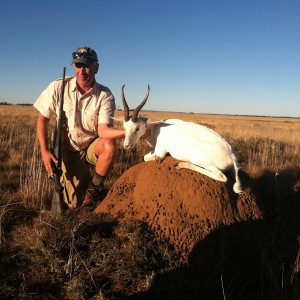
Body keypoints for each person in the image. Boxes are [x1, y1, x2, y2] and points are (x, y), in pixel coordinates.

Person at [34, 46, 125, 210]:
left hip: (90, 145)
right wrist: (44, 150)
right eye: (78, 65)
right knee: (73, 203)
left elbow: (103, 131)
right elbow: (43, 119)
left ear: (96, 67)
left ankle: (94, 190)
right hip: (67, 149)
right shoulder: (58, 86)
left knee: (109, 145)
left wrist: (131, 132)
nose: (82, 71)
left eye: (87, 65)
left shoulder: (105, 94)